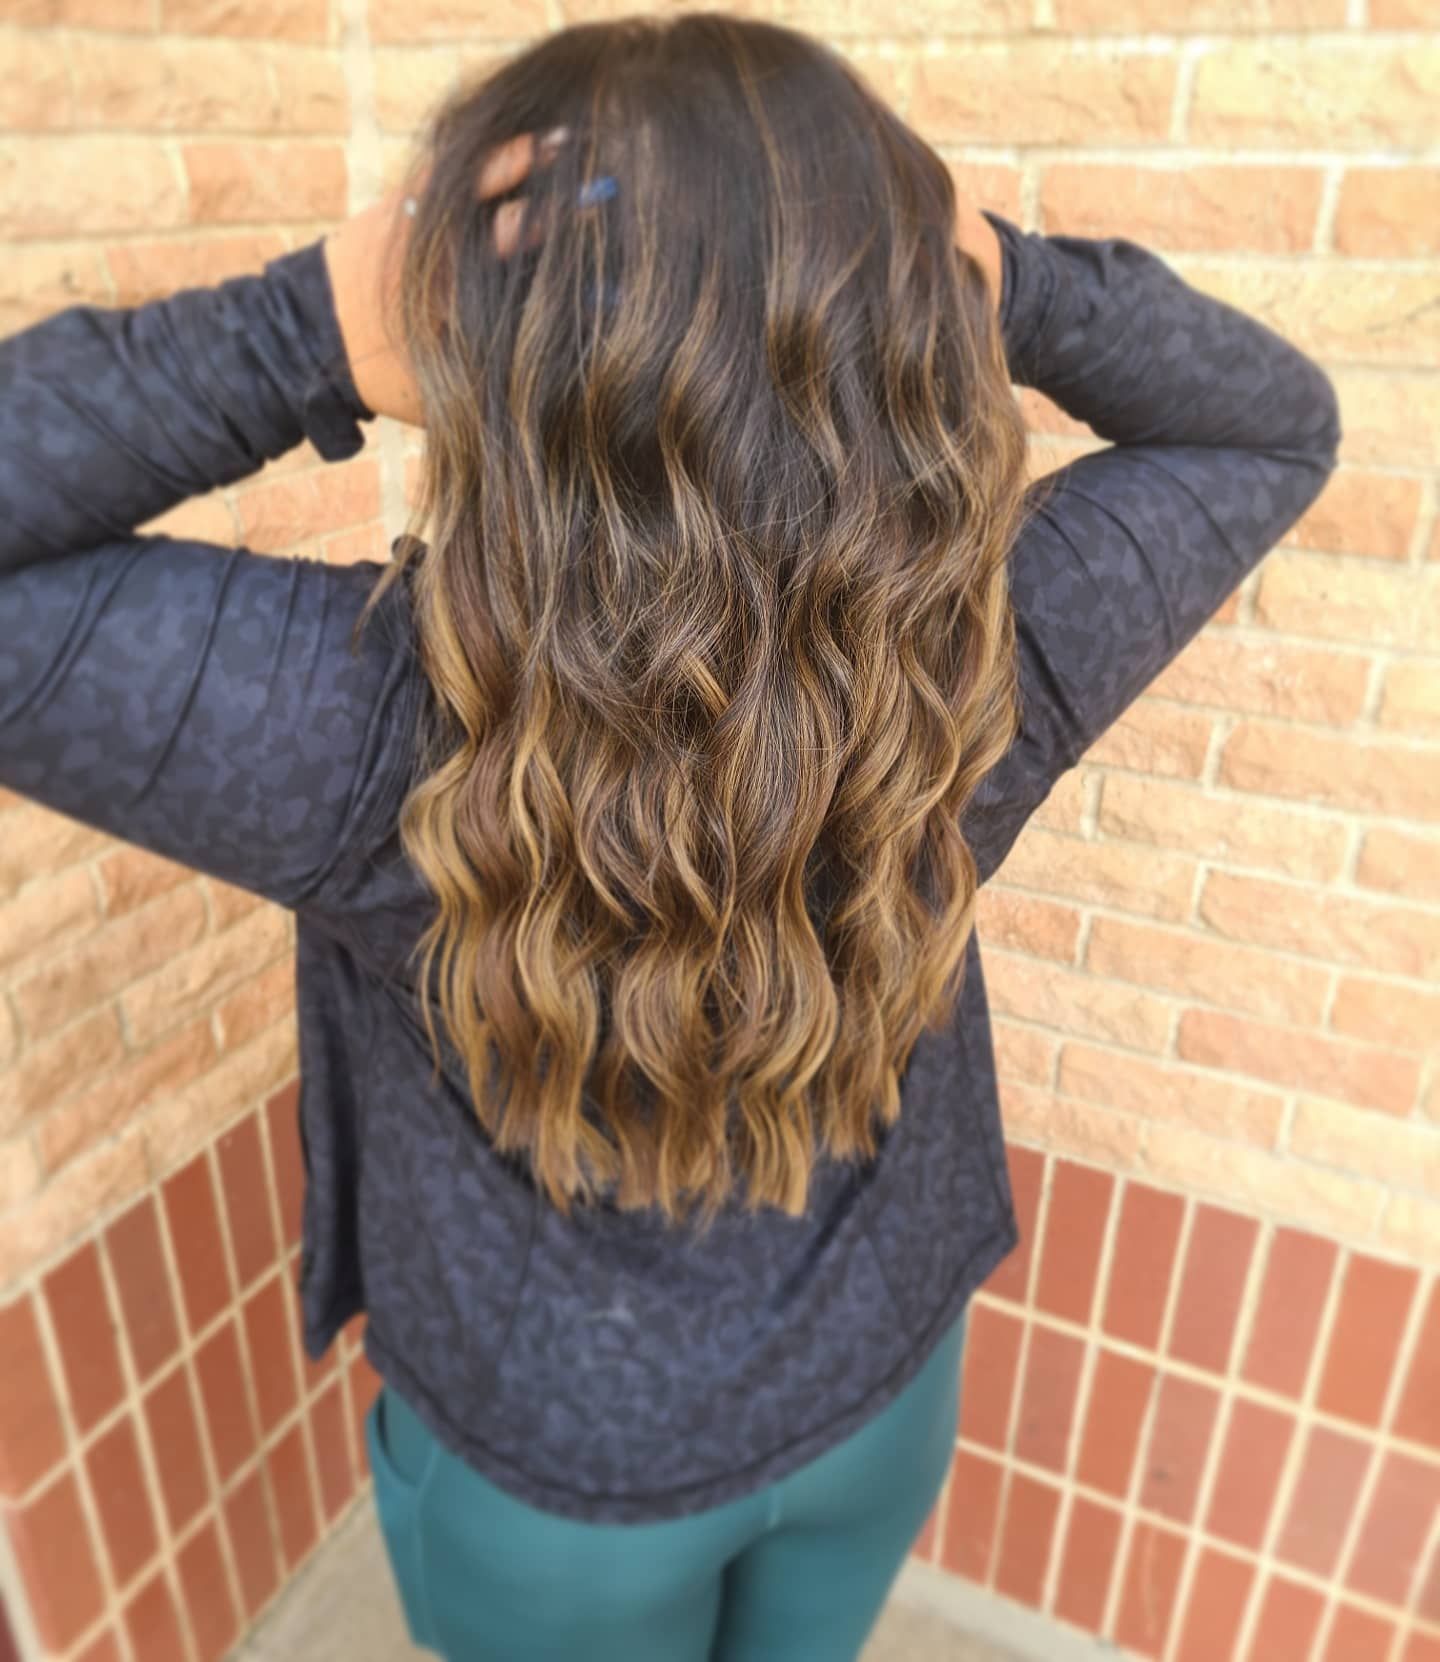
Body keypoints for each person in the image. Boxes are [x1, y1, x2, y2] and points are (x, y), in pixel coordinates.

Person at [0, 12, 1340, 1662]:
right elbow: (1273, 424)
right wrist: (1015, 280)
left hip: (559, 1484)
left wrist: (311, 326)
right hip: (881, 1394)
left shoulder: (355, 733)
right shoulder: (979, 673)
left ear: (491, 355)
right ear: (904, 331)